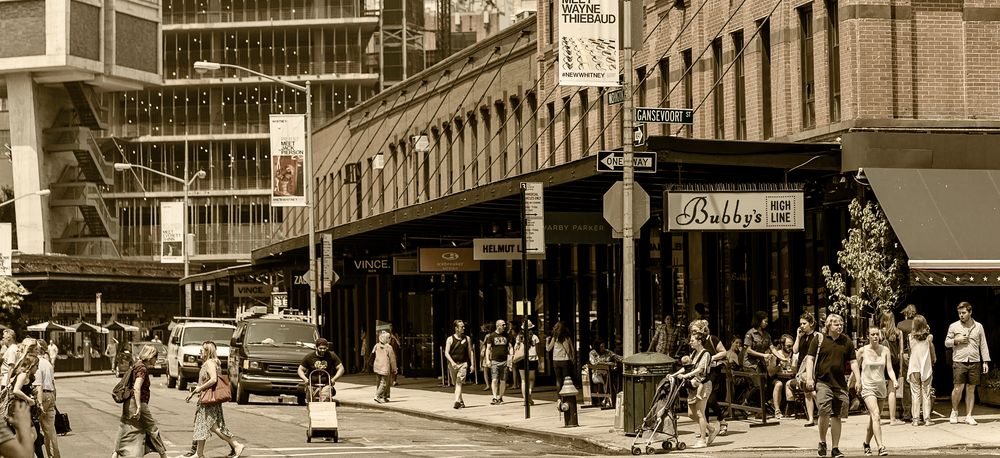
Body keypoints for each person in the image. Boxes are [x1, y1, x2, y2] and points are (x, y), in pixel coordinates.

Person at [803, 313, 860, 458]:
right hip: (823, 382)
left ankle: (835, 448)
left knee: (837, 416)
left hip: (840, 384)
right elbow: (810, 359)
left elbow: (853, 362)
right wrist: (809, 378)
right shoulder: (819, 339)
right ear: (829, 325)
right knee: (824, 411)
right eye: (836, 324)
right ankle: (822, 441)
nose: (839, 326)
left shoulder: (846, 341)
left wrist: (858, 380)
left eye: (841, 323)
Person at [184, 342, 245, 458]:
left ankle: (236, 445)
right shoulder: (209, 363)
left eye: (202, 350)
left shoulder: (210, 363)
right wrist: (193, 393)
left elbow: (213, 380)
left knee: (213, 426)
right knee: (201, 425)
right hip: (206, 399)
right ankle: (199, 453)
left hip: (209, 402)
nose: (200, 352)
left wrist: (199, 389)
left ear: (208, 351)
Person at [113, 345, 168, 458]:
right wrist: (139, 406)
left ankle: (115, 454)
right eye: (155, 357)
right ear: (150, 356)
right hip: (138, 403)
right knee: (152, 429)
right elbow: (137, 387)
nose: (156, 360)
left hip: (128, 403)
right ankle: (164, 456)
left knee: (125, 428)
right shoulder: (142, 369)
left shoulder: (136, 365)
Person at [944, 301, 991, 425]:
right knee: (958, 388)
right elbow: (946, 342)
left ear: (970, 312)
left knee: (971, 388)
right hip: (959, 360)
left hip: (974, 360)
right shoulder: (953, 326)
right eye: (959, 313)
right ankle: (954, 411)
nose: (961, 315)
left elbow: (983, 344)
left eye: (963, 313)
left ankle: (969, 415)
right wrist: (956, 340)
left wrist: (985, 361)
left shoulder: (979, 326)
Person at [858, 326, 898, 456]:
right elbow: (855, 367)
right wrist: (854, 381)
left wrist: (894, 380)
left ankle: (866, 443)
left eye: (877, 334)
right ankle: (881, 446)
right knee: (876, 415)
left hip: (881, 387)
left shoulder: (885, 350)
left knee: (874, 418)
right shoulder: (862, 351)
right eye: (872, 334)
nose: (875, 337)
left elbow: (890, 369)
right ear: (868, 336)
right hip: (867, 386)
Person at [671, 332, 716, 449]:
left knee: (700, 413)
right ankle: (711, 429)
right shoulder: (694, 353)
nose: (690, 342)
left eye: (692, 340)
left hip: (703, 385)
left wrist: (686, 376)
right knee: (691, 414)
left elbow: (700, 369)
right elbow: (686, 367)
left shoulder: (706, 354)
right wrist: (674, 374)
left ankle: (702, 440)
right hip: (693, 386)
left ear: (699, 341)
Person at [689, 319, 729, 436]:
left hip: (714, 372)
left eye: (695, 331)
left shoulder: (712, 339)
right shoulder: (695, 342)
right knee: (702, 399)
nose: (693, 333)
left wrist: (711, 358)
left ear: (702, 330)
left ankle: (722, 421)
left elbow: (723, 352)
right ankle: (704, 428)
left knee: (710, 399)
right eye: (692, 331)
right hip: (702, 373)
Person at [11, 355, 43, 458]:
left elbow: (23, 389)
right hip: (18, 410)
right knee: (30, 436)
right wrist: (28, 399)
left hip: (23, 410)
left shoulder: (27, 377)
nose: (37, 368)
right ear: (31, 365)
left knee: (32, 436)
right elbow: (16, 390)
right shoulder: (23, 375)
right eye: (36, 365)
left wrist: (31, 391)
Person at [792, 313, 820, 427]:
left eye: (804, 323)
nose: (802, 326)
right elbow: (795, 350)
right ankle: (811, 418)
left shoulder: (817, 336)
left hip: (812, 367)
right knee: (807, 393)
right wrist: (798, 337)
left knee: (814, 392)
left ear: (811, 323)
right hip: (802, 367)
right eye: (800, 324)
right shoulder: (802, 337)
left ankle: (824, 415)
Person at [907, 314, 936, 426]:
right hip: (926, 367)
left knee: (915, 394)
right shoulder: (929, 338)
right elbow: (928, 334)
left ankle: (915, 419)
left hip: (914, 367)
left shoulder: (910, 337)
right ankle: (927, 419)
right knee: (926, 393)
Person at [298, 338, 345, 402]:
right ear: (316, 347)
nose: (323, 350)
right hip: (312, 384)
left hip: (326, 384)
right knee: (311, 402)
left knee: (325, 401)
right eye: (320, 348)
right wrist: (305, 379)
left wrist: (334, 379)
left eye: (324, 348)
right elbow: (300, 369)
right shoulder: (309, 357)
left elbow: (341, 368)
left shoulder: (331, 356)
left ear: (327, 348)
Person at [32, 345, 59, 458]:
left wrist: (39, 402)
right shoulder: (48, 363)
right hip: (50, 394)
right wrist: (54, 398)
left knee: (34, 429)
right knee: (50, 432)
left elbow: (39, 384)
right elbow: (53, 382)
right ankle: (53, 456)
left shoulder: (36, 363)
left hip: (41, 395)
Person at [879, 310, 905, 425]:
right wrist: (900, 369)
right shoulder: (899, 333)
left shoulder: (879, 333)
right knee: (892, 391)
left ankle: (876, 418)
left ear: (883, 320)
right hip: (893, 363)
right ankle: (893, 419)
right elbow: (900, 352)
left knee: (878, 391)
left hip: (880, 363)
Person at [444, 320, 476, 409]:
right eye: (461, 327)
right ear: (456, 328)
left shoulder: (467, 338)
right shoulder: (450, 339)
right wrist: (452, 363)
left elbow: (470, 352)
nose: (463, 328)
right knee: (456, 384)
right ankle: (460, 400)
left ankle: (456, 401)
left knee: (459, 382)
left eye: (463, 326)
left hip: (463, 364)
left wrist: (472, 364)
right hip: (453, 365)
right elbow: (446, 352)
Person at [896, 304, 917, 421]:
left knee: (906, 384)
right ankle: (917, 412)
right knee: (918, 383)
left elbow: (900, 343)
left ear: (905, 314)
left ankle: (907, 413)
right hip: (918, 355)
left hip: (905, 355)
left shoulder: (900, 325)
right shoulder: (919, 323)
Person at [767, 334, 795, 420]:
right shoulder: (776, 355)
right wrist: (779, 367)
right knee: (779, 384)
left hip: (790, 377)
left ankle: (791, 410)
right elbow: (770, 372)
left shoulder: (794, 354)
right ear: (782, 345)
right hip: (777, 378)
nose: (791, 348)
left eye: (792, 345)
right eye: (788, 346)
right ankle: (777, 410)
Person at [485, 320, 511, 405]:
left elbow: (510, 347)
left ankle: (500, 397)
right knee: (494, 379)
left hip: (504, 361)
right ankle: (494, 397)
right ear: (498, 326)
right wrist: (488, 360)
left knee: (503, 380)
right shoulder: (491, 336)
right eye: (503, 325)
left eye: (505, 325)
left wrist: (511, 357)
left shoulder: (507, 335)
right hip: (495, 361)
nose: (505, 326)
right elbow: (488, 349)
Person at [547, 321, 577, 394]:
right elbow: (572, 349)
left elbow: (548, 349)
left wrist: (547, 341)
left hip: (556, 360)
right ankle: (565, 395)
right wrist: (573, 358)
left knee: (558, 379)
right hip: (565, 360)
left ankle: (559, 398)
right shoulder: (567, 338)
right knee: (566, 380)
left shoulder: (554, 338)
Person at [514, 321, 540, 405]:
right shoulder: (535, 337)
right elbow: (538, 350)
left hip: (522, 359)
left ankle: (526, 399)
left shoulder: (519, 337)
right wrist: (539, 360)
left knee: (523, 380)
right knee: (531, 379)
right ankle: (529, 393)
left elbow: (516, 349)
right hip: (532, 359)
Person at [371, 331, 397, 403]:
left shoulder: (376, 345)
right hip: (385, 368)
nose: (390, 339)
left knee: (381, 383)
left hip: (377, 367)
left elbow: (372, 354)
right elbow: (393, 360)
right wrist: (395, 369)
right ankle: (377, 396)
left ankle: (385, 397)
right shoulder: (389, 347)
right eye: (389, 338)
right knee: (384, 383)